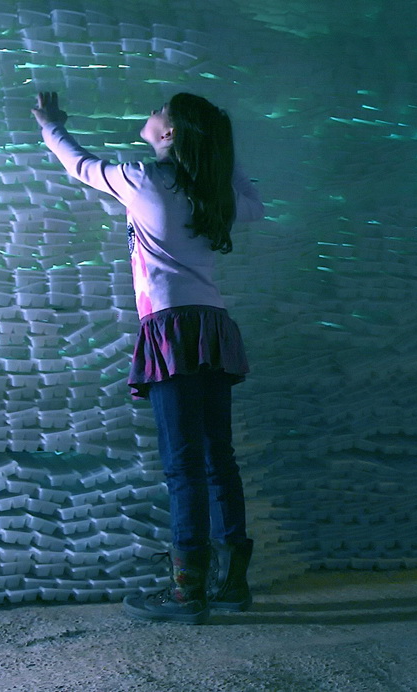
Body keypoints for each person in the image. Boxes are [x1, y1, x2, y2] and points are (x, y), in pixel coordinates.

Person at [33, 90, 264, 624]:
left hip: (169, 328)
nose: (153, 112)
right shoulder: (217, 193)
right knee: (218, 459)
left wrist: (51, 124)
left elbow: (80, 165)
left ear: (172, 132)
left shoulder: (143, 180)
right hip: (212, 326)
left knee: (183, 465)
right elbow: (255, 204)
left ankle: (188, 593)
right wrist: (221, 155)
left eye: (161, 110)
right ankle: (231, 585)